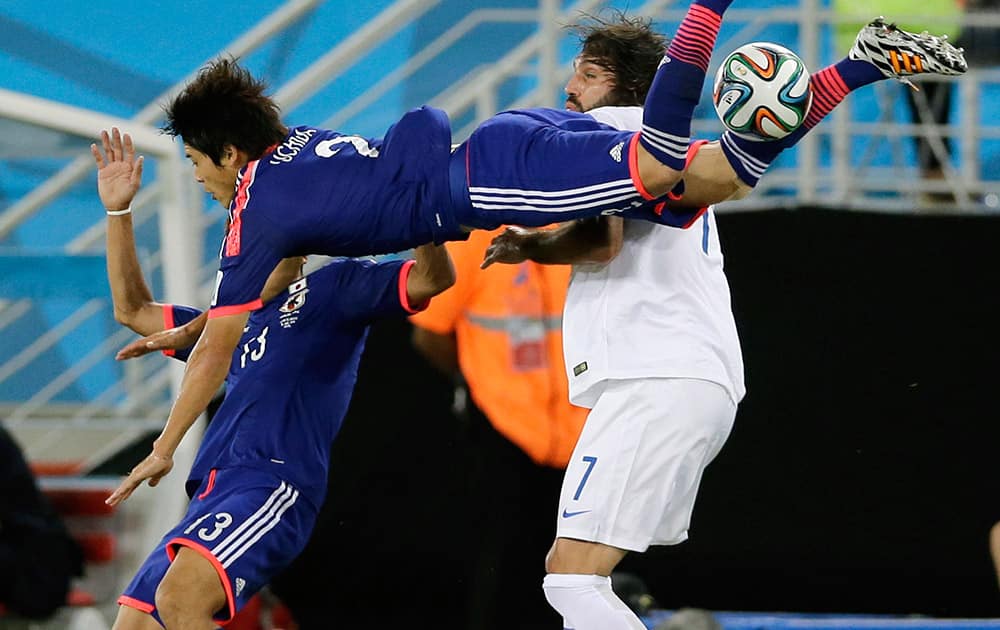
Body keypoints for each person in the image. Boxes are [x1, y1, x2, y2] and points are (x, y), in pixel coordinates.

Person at [114, 0, 968, 527]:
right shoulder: (297, 151)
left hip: (495, 179)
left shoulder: (258, 203)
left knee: (672, 164)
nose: (197, 181)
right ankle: (862, 64)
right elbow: (265, 288)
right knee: (719, 174)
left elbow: (230, 330)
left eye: (195, 165)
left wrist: (166, 438)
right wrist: (189, 327)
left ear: (227, 151)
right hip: (496, 164)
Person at [91, 128, 455, 629]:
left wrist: (421, 205)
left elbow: (432, 280)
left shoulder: (335, 288)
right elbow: (132, 309)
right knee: (132, 626)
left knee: (180, 601)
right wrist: (118, 212)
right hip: (212, 491)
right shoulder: (223, 325)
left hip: (270, 482)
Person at [478, 13, 744, 629]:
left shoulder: (612, 130)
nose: (572, 87)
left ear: (627, 88)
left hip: (658, 377)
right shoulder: (662, 144)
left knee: (572, 580)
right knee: (575, 577)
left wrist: (533, 245)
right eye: (575, 70)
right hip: (681, 377)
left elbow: (601, 240)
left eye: (590, 74)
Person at [409, 226, 588, 630]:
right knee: (508, 566)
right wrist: (472, 384)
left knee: (591, 570)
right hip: (505, 427)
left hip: (590, 428)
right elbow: (429, 334)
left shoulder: (587, 220)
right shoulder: (470, 237)